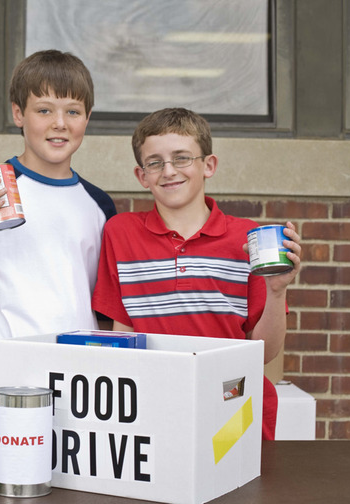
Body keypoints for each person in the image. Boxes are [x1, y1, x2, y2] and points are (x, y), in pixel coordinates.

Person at [0, 50, 117, 438]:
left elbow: (103, 312)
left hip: (78, 393)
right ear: (18, 114)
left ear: (87, 119)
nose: (59, 123)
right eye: (44, 110)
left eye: (73, 111)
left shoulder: (99, 205)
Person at [92, 107, 302, 440]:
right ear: (141, 176)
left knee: (230, 474)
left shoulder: (246, 238)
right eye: (155, 162)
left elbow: (264, 352)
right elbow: (123, 336)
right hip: (152, 405)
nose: (169, 171)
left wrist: (277, 291)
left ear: (208, 165)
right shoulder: (121, 233)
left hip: (232, 404)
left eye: (182, 158)